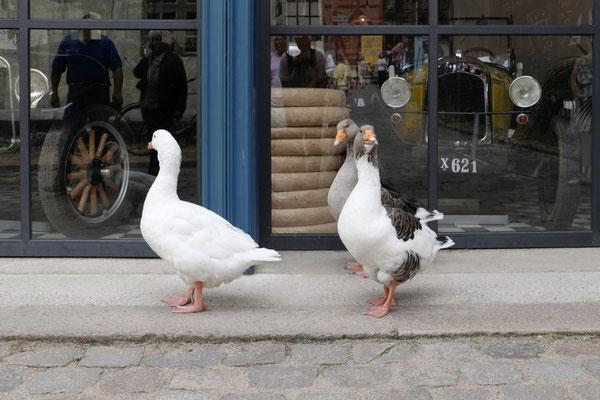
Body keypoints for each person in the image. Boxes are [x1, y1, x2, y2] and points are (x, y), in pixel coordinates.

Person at [50, 13, 123, 124]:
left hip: (99, 92)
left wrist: (117, 92)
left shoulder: (105, 43)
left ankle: (98, 139)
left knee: (100, 127)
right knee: (69, 128)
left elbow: (117, 68)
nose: (93, 30)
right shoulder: (68, 41)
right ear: (81, 26)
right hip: (76, 91)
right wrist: (54, 92)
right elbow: (56, 69)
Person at [134, 30, 188, 176]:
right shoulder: (150, 59)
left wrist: (179, 108)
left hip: (164, 107)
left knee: (161, 140)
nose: (155, 43)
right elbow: (137, 72)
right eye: (153, 40)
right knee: (152, 137)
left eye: (158, 40)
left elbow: (181, 86)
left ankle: (158, 169)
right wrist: (146, 57)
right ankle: (154, 168)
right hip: (148, 106)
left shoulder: (173, 60)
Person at [569, 52, 593, 185]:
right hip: (585, 103)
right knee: (583, 139)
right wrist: (579, 95)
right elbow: (573, 80)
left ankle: (589, 174)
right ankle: (582, 173)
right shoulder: (581, 61)